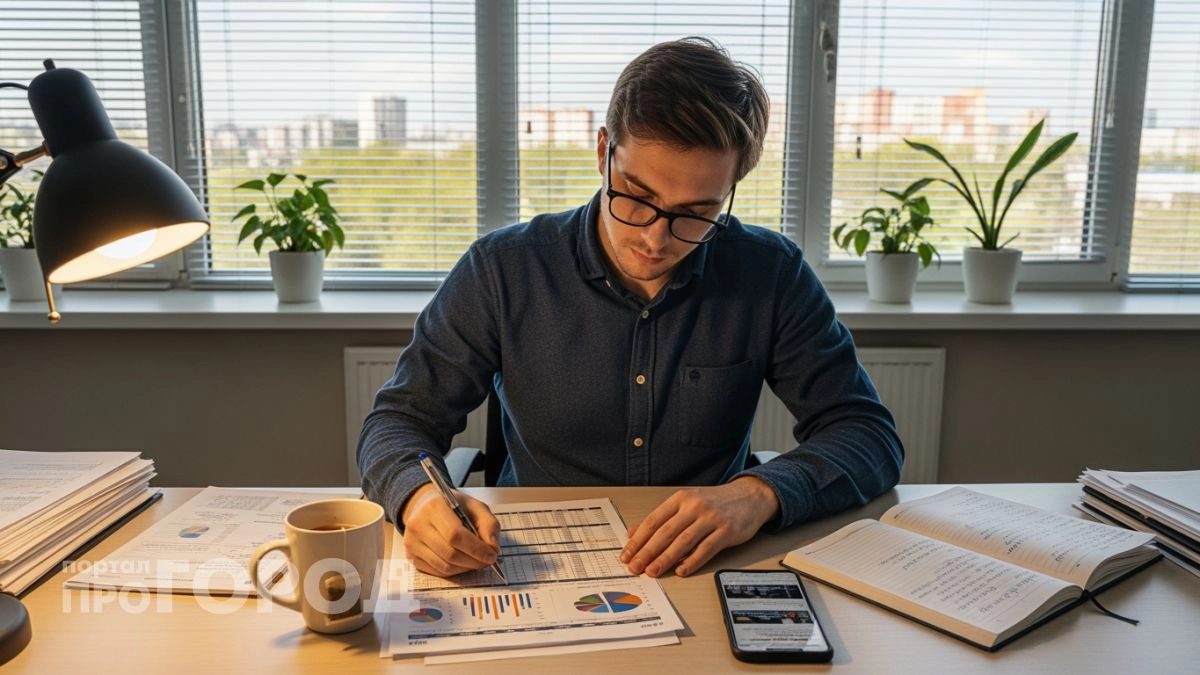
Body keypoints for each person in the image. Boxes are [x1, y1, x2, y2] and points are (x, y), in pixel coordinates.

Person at [358, 36, 903, 580]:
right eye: (636, 196)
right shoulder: (503, 269)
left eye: (696, 213)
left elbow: (866, 432)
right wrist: (418, 500)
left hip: (705, 569)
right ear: (603, 151)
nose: (656, 238)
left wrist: (758, 494)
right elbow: (400, 421)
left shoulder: (771, 274)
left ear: (731, 190)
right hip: (531, 565)